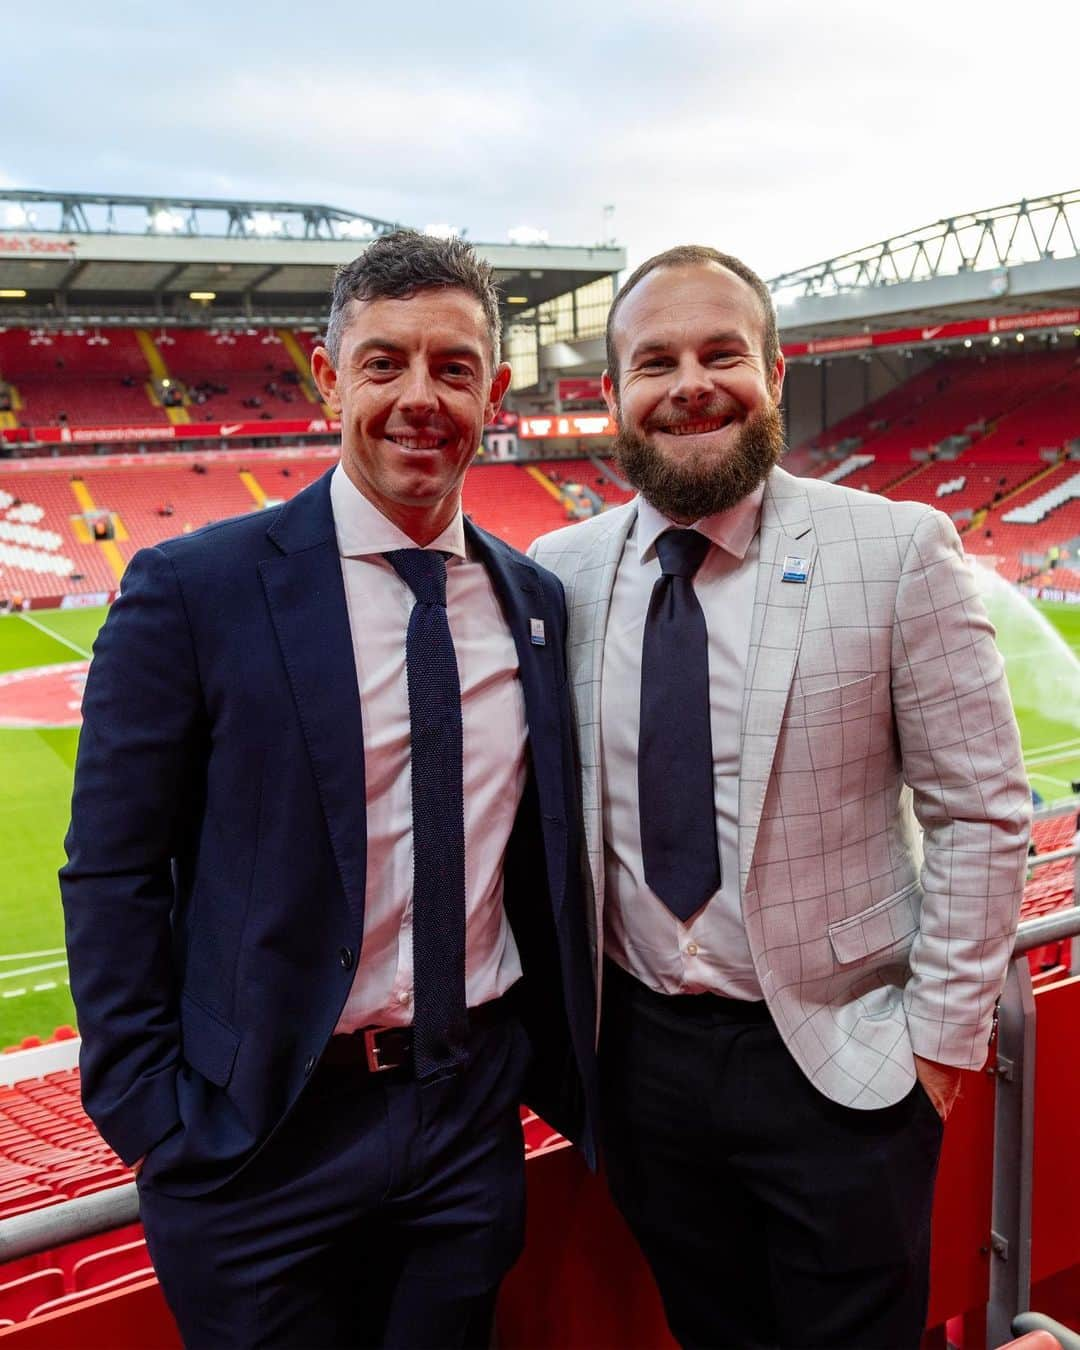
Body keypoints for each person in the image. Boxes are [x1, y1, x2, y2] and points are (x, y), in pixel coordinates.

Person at [62, 230, 597, 1350]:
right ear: (328, 377)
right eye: (384, 362)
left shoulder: (534, 604)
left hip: (464, 1118)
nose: (420, 398)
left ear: (494, 390)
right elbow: (111, 869)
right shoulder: (191, 591)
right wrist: (150, 1114)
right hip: (259, 1135)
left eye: (453, 368)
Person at [530, 244, 1030, 1350]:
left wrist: (935, 1054)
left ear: (775, 373)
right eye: (653, 361)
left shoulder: (898, 549)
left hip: (845, 1065)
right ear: (612, 395)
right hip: (642, 1064)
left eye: (721, 352)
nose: (689, 382)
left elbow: (985, 811)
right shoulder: (556, 571)